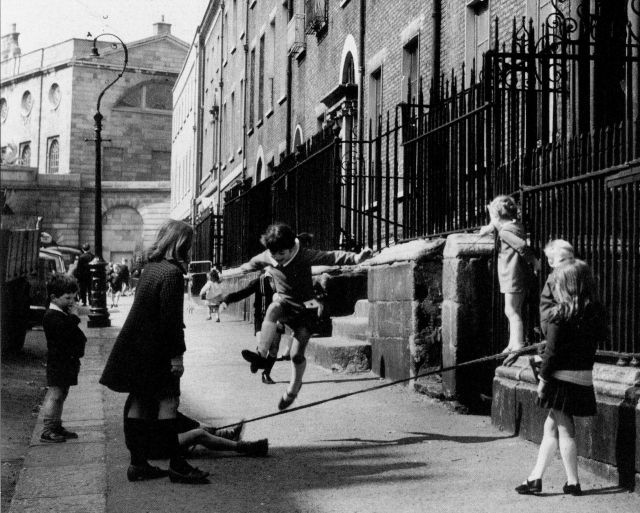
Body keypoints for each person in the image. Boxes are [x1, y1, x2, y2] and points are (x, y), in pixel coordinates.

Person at [99, 220, 210, 484]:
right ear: (180, 243)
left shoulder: (151, 268)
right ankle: (177, 465)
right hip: (157, 351)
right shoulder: (171, 273)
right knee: (168, 403)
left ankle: (138, 464)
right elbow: (170, 321)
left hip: (137, 348)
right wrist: (177, 356)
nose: (191, 249)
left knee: (139, 400)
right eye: (189, 244)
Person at [238, 223, 371, 410]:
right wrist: (243, 268)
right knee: (273, 308)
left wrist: (356, 257)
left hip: (306, 310)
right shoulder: (269, 256)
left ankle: (293, 388)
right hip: (285, 305)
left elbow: (330, 256)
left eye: (282, 254)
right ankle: (261, 354)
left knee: (296, 355)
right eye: (273, 255)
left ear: (292, 248)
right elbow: (253, 263)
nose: (277, 259)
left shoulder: (304, 255)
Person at [515, 260, 605, 496]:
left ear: (566, 286)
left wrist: (543, 382)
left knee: (565, 429)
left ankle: (573, 482)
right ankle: (535, 478)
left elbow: (553, 354)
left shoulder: (558, 315)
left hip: (559, 380)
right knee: (550, 426)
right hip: (584, 377)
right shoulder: (595, 312)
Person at [479, 195, 539, 364]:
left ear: (497, 216)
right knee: (515, 310)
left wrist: (535, 262)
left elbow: (521, 246)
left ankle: (517, 344)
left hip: (511, 276)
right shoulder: (515, 226)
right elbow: (499, 225)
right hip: (519, 275)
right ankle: (512, 343)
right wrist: (490, 227)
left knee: (511, 311)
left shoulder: (505, 233)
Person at [40, 275, 87, 443]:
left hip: (66, 362)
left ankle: (56, 425)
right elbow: (65, 333)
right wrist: (74, 317)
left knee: (62, 394)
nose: (71, 301)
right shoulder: (52, 315)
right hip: (58, 363)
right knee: (56, 395)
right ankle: (48, 429)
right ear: (54, 297)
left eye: (73, 298)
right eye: (67, 298)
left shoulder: (60, 313)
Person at [221, 271, 288, 384]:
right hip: (262, 320)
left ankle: (266, 373)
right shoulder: (259, 281)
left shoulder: (283, 280)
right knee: (263, 347)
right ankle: (257, 359)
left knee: (274, 348)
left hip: (277, 318)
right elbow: (243, 293)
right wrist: (227, 299)